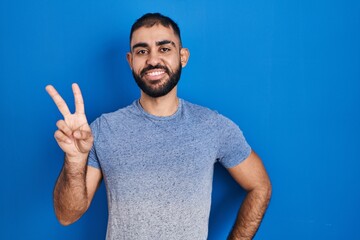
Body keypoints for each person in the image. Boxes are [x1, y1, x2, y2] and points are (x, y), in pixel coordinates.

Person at [46, 13, 272, 240]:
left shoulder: (213, 127)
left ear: (183, 57)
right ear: (130, 60)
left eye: (164, 49)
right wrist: (74, 161)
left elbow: (260, 186)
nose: (153, 60)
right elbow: (67, 215)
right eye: (142, 51)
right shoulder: (103, 129)